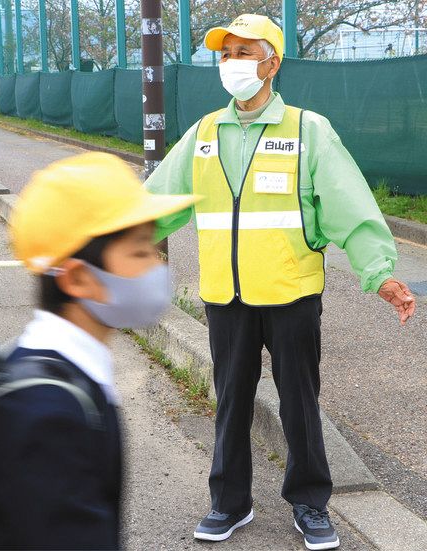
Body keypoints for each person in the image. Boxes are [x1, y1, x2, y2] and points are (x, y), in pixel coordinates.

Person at [144, 13, 416, 551]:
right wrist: (101, 237)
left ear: (272, 62)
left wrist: (378, 272)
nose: (232, 64)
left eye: (245, 53)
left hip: (292, 291)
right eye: (226, 54)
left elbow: (348, 207)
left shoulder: (307, 130)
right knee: (230, 401)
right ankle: (228, 502)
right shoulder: (203, 134)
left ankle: (311, 503)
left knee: (299, 401)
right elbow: (156, 203)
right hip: (226, 294)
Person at [0, 152, 198, 549]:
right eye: (140, 250)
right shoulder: (50, 416)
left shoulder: (49, 371)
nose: (157, 264)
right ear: (78, 278)